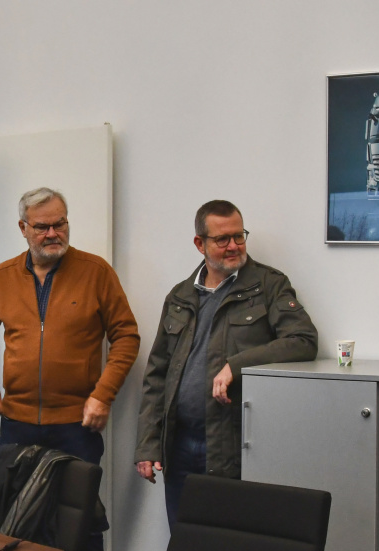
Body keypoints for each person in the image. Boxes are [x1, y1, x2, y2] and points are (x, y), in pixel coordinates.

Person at [0, 187, 138, 551]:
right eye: (42, 227)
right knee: (16, 519)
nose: (53, 234)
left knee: (79, 520)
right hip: (17, 423)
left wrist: (103, 395)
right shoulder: (3, 276)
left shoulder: (95, 272)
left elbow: (126, 336)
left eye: (60, 224)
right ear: (23, 228)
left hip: (77, 424)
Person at [134, 200, 317, 524]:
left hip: (231, 443)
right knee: (184, 541)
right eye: (222, 239)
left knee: (226, 542)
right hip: (179, 446)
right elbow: (157, 376)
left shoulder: (268, 285)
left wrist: (237, 364)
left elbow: (302, 341)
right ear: (199, 243)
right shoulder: (180, 296)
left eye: (239, 236)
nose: (234, 246)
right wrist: (147, 445)